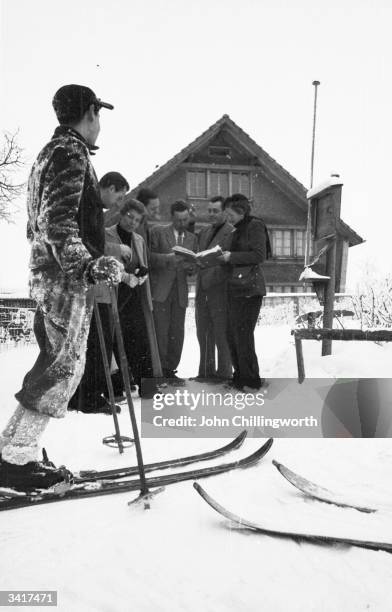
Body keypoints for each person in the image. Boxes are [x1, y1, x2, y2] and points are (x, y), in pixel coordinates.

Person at [0, 84, 123, 491]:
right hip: (61, 278)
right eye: (98, 115)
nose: (99, 125)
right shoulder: (70, 153)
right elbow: (57, 225)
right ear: (89, 113)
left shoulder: (49, 153)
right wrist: (88, 266)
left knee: (54, 365)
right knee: (62, 369)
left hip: (48, 274)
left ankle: (13, 449)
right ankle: (16, 459)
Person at [68, 170, 131, 414]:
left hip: (90, 283)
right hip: (89, 285)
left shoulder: (92, 206)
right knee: (96, 343)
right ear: (110, 188)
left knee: (93, 342)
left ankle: (82, 395)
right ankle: (89, 397)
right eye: (119, 195)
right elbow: (88, 243)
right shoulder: (89, 207)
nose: (119, 202)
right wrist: (114, 252)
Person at [105, 198, 162, 397]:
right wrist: (125, 277)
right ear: (122, 214)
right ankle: (118, 385)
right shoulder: (107, 235)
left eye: (137, 220)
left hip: (135, 297)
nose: (132, 222)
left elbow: (143, 264)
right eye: (130, 217)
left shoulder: (139, 239)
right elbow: (105, 265)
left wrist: (141, 275)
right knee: (114, 340)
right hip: (114, 295)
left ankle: (146, 386)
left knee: (139, 341)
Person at [220, 194, 267, 391]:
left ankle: (251, 380)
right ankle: (240, 377)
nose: (227, 218)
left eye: (230, 214)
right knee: (232, 334)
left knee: (243, 334)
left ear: (241, 211)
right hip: (236, 287)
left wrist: (231, 256)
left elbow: (259, 255)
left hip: (250, 288)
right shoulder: (237, 230)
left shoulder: (255, 225)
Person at [150, 200, 197, 384]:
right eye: (178, 220)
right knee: (160, 332)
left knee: (177, 333)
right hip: (161, 291)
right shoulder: (158, 232)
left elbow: (194, 265)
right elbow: (149, 257)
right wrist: (168, 259)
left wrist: (193, 268)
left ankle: (171, 369)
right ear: (172, 217)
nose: (181, 223)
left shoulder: (193, 239)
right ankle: (159, 371)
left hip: (180, 292)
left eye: (185, 219)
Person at [194, 196, 233, 382]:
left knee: (221, 332)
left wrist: (210, 275)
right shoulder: (203, 232)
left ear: (225, 212)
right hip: (202, 288)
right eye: (209, 211)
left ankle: (224, 373)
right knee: (203, 330)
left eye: (215, 211)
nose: (211, 214)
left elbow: (228, 263)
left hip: (221, 290)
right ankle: (205, 372)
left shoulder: (232, 232)